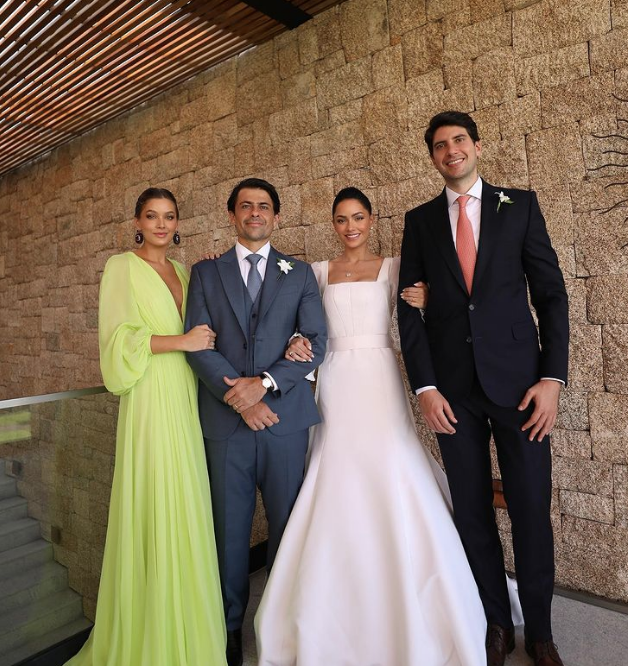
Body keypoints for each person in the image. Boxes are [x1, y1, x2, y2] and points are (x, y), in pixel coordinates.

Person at [254, 187, 492, 666]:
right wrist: (297, 340)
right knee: (335, 465)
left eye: (358, 217)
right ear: (333, 224)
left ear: (371, 219)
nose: (351, 227)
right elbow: (295, 320)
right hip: (336, 379)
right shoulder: (316, 272)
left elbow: (448, 299)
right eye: (342, 219)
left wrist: (430, 298)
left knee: (391, 462)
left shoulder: (395, 267)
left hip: (380, 376)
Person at [398, 111, 569, 666]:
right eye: (440, 145)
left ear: (476, 145)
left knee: (530, 509)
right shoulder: (420, 221)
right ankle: (495, 622)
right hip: (452, 394)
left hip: (521, 390)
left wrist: (552, 379)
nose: (451, 150)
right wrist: (425, 387)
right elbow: (409, 312)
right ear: (432, 157)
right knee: (471, 511)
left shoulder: (520, 206)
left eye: (459, 140)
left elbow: (551, 296)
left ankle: (540, 632)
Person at [66, 188, 226, 666]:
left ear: (177, 223)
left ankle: (186, 627)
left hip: (184, 393)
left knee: (185, 497)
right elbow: (117, 341)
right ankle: (152, 632)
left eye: (169, 216)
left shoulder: (183, 272)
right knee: (155, 494)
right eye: (152, 216)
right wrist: (182, 340)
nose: (161, 224)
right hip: (150, 394)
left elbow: (206, 330)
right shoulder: (121, 267)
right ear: (137, 221)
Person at [184, 178, 327, 666]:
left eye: (263, 206)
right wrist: (241, 400)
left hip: (284, 422)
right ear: (232, 215)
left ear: (276, 216)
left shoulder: (300, 273)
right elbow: (197, 345)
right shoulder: (205, 273)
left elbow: (315, 341)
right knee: (229, 533)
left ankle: (283, 626)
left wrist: (264, 385)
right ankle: (228, 628)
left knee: (288, 528)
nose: (255, 213)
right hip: (227, 427)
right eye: (245, 206)